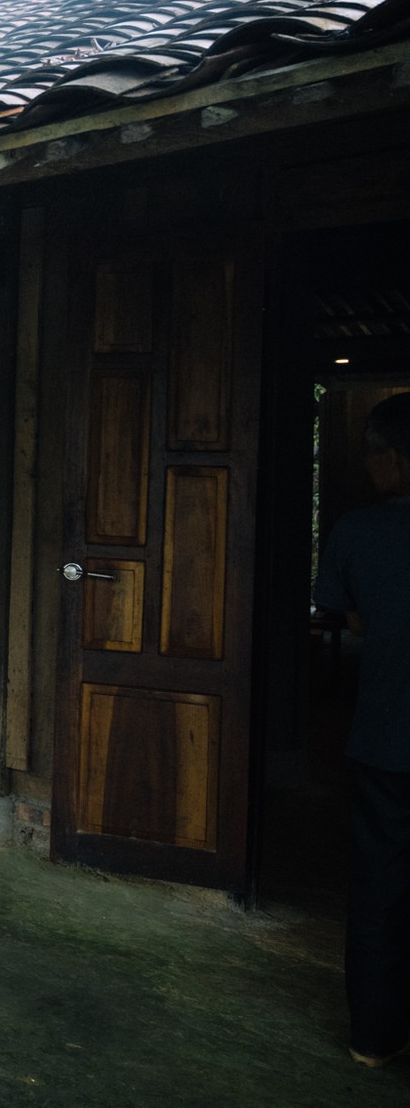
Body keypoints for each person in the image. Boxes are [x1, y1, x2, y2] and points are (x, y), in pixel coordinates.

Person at [315, 392, 410, 1068]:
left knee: (380, 881)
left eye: (374, 455)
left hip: (385, 733)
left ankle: (372, 1036)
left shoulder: (356, 531)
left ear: (393, 460)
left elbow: (348, 619)